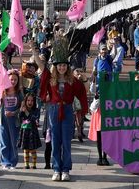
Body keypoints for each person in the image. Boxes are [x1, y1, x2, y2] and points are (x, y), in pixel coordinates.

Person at [38, 37, 88, 182]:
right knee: (55, 141)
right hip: (54, 110)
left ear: (67, 66)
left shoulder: (72, 80)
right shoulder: (50, 78)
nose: (62, 68)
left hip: (67, 110)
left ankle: (65, 169)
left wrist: (84, 80)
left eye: (64, 66)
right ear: (56, 66)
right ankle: (56, 169)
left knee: (66, 141)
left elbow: (83, 92)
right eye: (59, 65)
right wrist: (35, 51)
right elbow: (41, 66)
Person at [0, 69, 22, 170]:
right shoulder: (2, 91)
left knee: (14, 141)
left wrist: (14, 113)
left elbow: (22, 107)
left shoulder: (19, 93)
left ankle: (13, 162)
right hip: (3, 120)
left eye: (15, 80)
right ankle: (5, 162)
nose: (13, 81)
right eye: (11, 79)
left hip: (14, 120)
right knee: (4, 141)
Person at [18, 93, 42, 169]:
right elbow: (20, 118)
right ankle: (26, 164)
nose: (30, 102)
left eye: (32, 100)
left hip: (33, 132)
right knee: (26, 149)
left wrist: (26, 112)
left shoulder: (36, 110)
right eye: (28, 100)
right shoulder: (23, 109)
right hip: (25, 131)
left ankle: (34, 164)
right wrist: (21, 110)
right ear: (25, 101)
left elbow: (34, 118)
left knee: (33, 149)